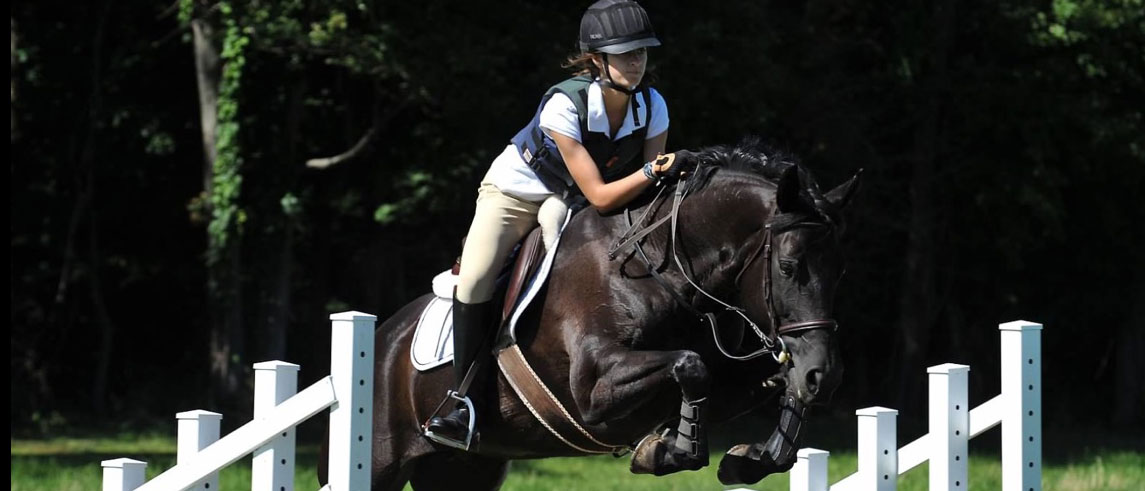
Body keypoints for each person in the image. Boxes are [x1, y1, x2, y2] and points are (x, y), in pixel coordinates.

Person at [424, 0, 694, 447]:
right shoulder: (563, 105)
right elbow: (606, 192)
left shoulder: (652, 106)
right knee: (473, 281)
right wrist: (654, 171)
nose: (636, 62)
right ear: (596, 59)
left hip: (567, 200)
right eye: (625, 53)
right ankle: (464, 403)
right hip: (514, 193)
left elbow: (646, 192)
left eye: (641, 52)